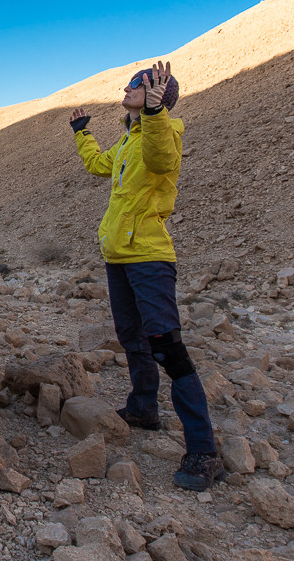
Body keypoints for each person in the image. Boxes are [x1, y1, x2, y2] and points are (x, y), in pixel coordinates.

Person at [69, 60, 224, 491]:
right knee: (131, 336)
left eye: (135, 85)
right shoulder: (128, 139)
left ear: (157, 95)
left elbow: (160, 159)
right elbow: (99, 165)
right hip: (118, 254)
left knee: (166, 345)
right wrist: (82, 134)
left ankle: (203, 450)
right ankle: (143, 407)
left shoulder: (164, 133)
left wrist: (155, 112)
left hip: (149, 256)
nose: (126, 89)